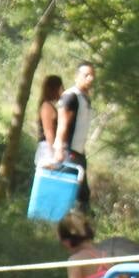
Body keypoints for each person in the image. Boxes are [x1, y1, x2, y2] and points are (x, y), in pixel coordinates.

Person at [49, 61, 96, 212]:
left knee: (83, 194)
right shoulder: (71, 96)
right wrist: (59, 148)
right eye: (86, 75)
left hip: (79, 151)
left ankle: (80, 223)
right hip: (68, 151)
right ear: (77, 76)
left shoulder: (85, 98)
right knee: (66, 190)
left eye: (92, 75)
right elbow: (63, 124)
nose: (90, 78)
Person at [34, 74, 64, 169]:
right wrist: (54, 153)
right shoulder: (47, 107)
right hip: (47, 150)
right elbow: (48, 132)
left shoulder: (51, 106)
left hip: (50, 148)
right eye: (61, 88)